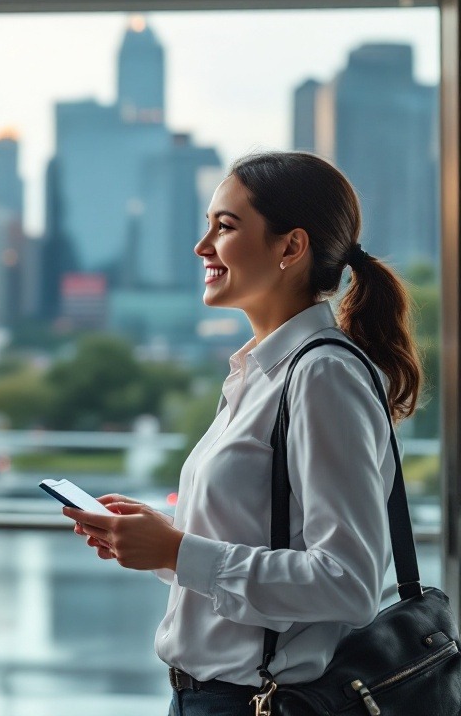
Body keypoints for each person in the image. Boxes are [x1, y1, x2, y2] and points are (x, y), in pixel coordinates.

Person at [63, 151, 422, 716]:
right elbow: (250, 547)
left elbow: (347, 583)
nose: (202, 246)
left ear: (291, 247)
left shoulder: (321, 374)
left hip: (258, 705)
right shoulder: (259, 373)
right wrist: (159, 543)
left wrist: (181, 551)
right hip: (206, 699)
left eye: (225, 227)